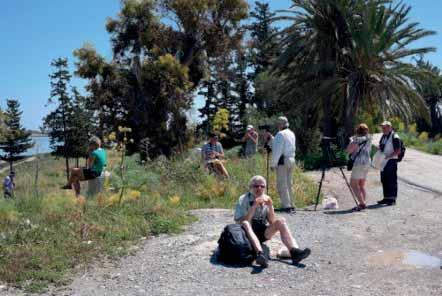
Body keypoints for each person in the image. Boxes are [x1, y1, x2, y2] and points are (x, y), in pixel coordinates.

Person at [234, 175, 311, 268]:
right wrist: (254, 206)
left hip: (261, 231)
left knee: (281, 221)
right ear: (250, 187)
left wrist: (270, 206)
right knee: (246, 223)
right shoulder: (243, 199)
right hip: (246, 232)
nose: (259, 188)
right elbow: (241, 221)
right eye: (256, 186)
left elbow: (272, 221)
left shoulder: (266, 198)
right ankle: (260, 254)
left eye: (262, 186)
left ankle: (294, 252)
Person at [270, 116, 296, 213]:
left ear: (280, 124)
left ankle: (286, 206)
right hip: (291, 159)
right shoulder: (291, 133)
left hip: (283, 160)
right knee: (289, 183)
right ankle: (291, 204)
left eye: (278, 123)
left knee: (282, 183)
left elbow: (277, 151)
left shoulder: (280, 134)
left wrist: (273, 164)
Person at [346, 123, 372, 210]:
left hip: (359, 164)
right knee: (361, 185)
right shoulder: (369, 138)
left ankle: (362, 204)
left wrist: (351, 141)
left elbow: (349, 150)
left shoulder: (356, 139)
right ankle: (362, 203)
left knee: (353, 184)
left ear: (357, 130)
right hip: (367, 163)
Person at [377, 121, 401, 206]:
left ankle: (392, 199)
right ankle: (386, 198)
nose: (383, 129)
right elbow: (381, 146)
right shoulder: (384, 136)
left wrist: (389, 156)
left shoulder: (395, 136)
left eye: (385, 127)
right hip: (383, 160)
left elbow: (398, 150)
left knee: (392, 180)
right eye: (382, 127)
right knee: (384, 179)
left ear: (390, 127)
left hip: (391, 161)